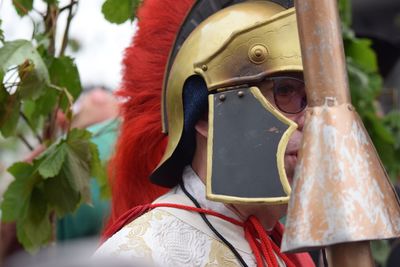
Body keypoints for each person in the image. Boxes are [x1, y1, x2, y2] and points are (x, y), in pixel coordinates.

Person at [95, 0, 315, 266]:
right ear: (206, 116)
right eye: (284, 92)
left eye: (311, 99)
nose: (311, 119)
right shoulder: (140, 254)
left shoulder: (284, 253)